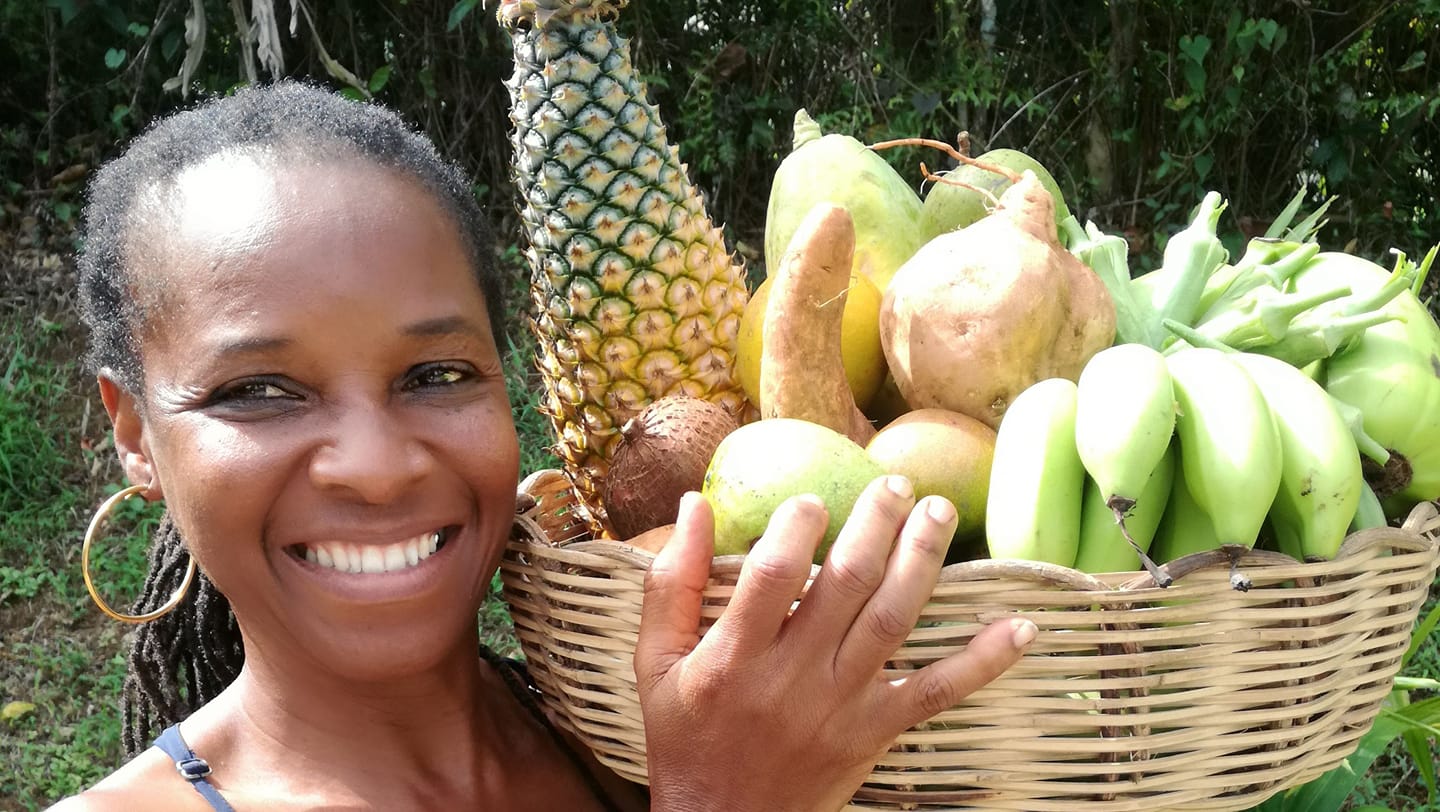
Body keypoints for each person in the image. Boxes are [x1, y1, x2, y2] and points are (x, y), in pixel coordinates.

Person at [50, 80, 1035, 811]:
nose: (377, 466)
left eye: (435, 375)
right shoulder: (723, 764)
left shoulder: (673, 722)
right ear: (135, 434)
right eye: (259, 392)